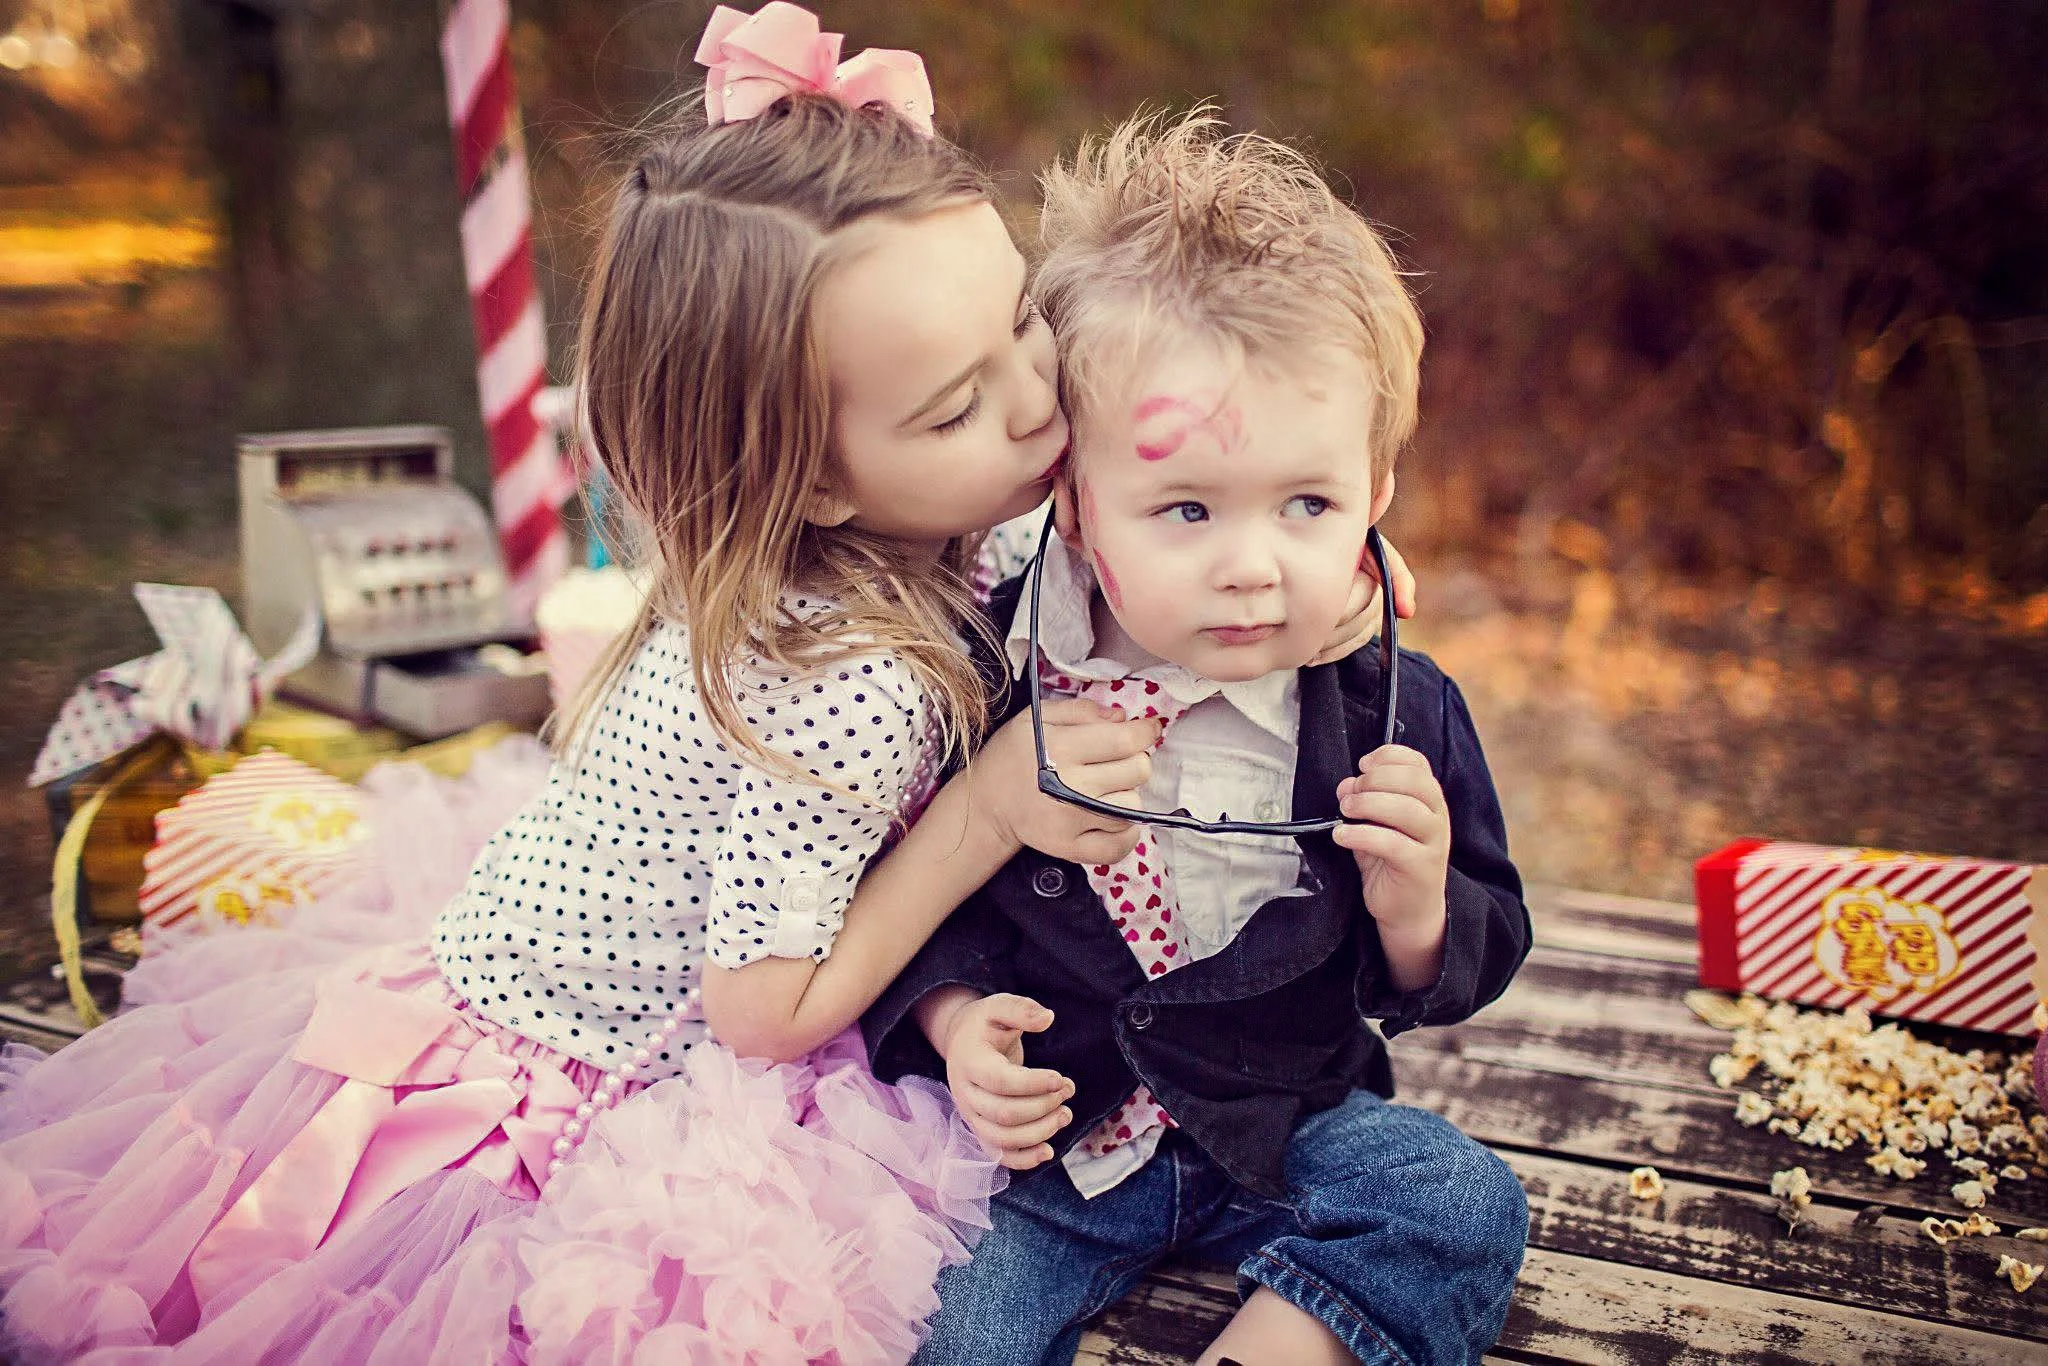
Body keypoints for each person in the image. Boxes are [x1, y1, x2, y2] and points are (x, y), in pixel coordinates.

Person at [0, 10, 1416, 1362]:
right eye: (956, 403)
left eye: (1024, 328)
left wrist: (1310, 546)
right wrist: (988, 809)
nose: (1038, 402)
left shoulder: (908, 511)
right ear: (808, 472)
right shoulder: (844, 676)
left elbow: (1119, 509)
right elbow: (760, 1007)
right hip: (600, 1063)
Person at [865, 109, 1534, 1366]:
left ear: (1374, 495)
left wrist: (1416, 904)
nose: (1251, 566)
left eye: (1307, 502)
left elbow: (1473, 944)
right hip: (1049, 1159)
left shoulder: (1388, 702)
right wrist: (955, 1024)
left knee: (1455, 1198)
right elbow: (909, 880)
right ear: (1071, 497)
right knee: (936, 1325)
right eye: (1183, 505)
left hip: (1282, 1125)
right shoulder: (992, 669)